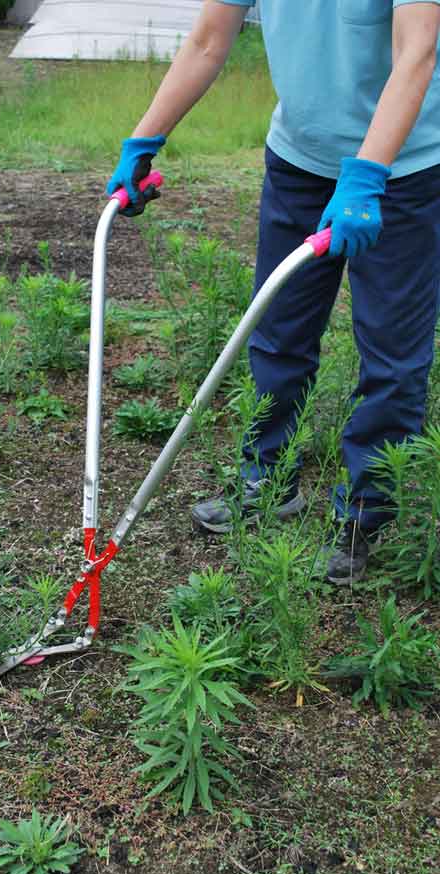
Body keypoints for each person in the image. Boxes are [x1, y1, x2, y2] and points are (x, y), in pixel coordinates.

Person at [106, 1, 440, 584]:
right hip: (299, 160)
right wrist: (144, 139)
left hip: (404, 169)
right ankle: (269, 478)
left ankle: (372, 514)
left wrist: (369, 173)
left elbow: (417, 52)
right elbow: (210, 39)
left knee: (391, 353)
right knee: (280, 331)